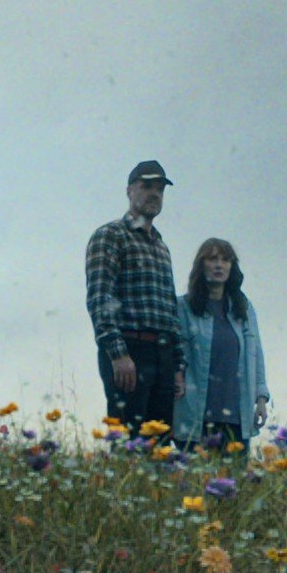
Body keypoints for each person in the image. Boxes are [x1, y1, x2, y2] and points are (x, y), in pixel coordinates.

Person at [83, 160, 180, 439]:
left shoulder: (161, 247)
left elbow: (170, 309)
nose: (154, 194)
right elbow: (100, 298)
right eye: (146, 186)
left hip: (162, 353)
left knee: (160, 444)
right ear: (129, 191)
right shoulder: (110, 235)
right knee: (128, 441)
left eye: (160, 188)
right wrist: (118, 353)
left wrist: (177, 365)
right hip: (130, 349)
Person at [171, 237, 268, 448]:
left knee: (235, 480)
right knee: (193, 479)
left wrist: (261, 398)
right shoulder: (183, 307)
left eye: (225, 260)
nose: (219, 265)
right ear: (200, 265)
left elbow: (256, 355)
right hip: (195, 416)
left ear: (232, 267)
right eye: (212, 258)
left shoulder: (243, 308)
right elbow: (172, 353)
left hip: (236, 417)